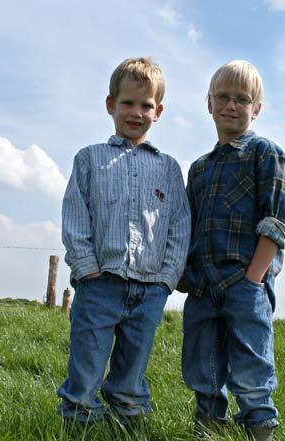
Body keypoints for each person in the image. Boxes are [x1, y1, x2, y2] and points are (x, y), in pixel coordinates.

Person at [57, 57, 190, 425]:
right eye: (128, 103)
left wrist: (167, 279)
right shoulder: (89, 159)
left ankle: (127, 422)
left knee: (132, 372)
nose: (136, 112)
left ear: (158, 111)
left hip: (149, 290)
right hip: (100, 284)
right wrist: (87, 269)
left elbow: (179, 225)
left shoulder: (168, 168)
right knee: (86, 366)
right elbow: (75, 216)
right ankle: (80, 420)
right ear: (110, 105)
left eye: (146, 105)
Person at [179, 60, 285, 441]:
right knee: (203, 368)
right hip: (202, 286)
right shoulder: (199, 169)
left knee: (251, 369)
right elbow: (188, 227)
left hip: (245, 283)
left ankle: (259, 431)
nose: (231, 105)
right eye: (223, 97)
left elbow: (276, 222)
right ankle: (209, 430)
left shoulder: (266, 154)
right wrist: (186, 277)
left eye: (242, 99)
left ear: (256, 108)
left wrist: (252, 280)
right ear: (209, 103)